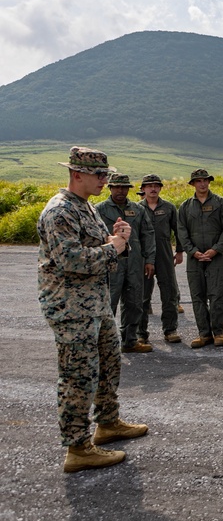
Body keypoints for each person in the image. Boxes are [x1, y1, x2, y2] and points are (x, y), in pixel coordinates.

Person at [38, 146, 148, 473]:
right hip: (71, 307)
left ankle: (108, 423)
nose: (105, 180)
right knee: (78, 375)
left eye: (106, 174)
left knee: (109, 362)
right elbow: (71, 260)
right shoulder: (59, 211)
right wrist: (113, 248)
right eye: (99, 175)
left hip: (95, 304)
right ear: (77, 174)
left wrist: (117, 239)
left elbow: (97, 249)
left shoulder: (84, 207)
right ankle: (77, 448)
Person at [96, 174, 156, 354]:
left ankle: (130, 340)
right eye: (116, 187)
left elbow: (148, 234)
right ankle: (103, 344)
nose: (120, 191)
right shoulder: (99, 209)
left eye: (124, 187)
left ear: (129, 189)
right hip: (111, 264)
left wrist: (150, 260)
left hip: (135, 263)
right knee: (109, 303)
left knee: (134, 302)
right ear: (110, 188)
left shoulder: (138, 210)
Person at [177, 169, 223, 348]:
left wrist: (216, 249)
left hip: (216, 257)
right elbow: (181, 231)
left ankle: (218, 332)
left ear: (209, 182)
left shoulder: (220, 203)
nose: (202, 184)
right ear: (193, 184)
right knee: (197, 296)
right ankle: (204, 334)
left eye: (205, 180)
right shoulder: (185, 207)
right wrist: (192, 251)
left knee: (217, 295)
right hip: (195, 258)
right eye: (198, 181)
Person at [137, 174, 183, 344]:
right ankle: (141, 333)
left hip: (164, 253)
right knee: (142, 295)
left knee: (169, 293)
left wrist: (179, 251)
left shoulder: (169, 208)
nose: (153, 189)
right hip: (144, 256)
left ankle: (170, 330)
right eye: (149, 186)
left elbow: (178, 230)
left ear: (161, 188)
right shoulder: (137, 208)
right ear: (143, 189)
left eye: (156, 185)